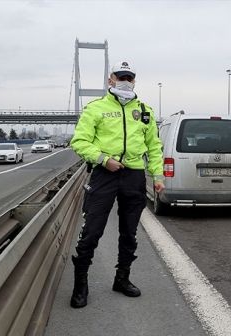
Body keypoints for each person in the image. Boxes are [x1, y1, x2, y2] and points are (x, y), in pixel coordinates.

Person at [69, 60, 165, 308]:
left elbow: (154, 146)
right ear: (109, 80)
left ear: (134, 81)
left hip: (133, 176)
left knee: (129, 232)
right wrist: (103, 159)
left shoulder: (145, 110)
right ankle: (81, 283)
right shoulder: (96, 108)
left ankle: (122, 278)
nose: (124, 81)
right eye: (119, 77)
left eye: (129, 77)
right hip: (104, 174)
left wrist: (157, 176)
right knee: (92, 231)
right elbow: (79, 142)